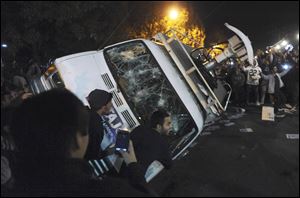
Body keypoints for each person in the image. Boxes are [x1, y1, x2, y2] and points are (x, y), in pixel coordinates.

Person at [9, 88, 150, 196]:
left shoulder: (19, 185)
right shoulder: (105, 190)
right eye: (84, 132)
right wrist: (131, 163)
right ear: (76, 139)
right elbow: (93, 153)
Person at [130, 109, 173, 174]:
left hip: (116, 170)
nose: (171, 127)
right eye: (168, 124)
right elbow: (169, 165)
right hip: (133, 177)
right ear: (158, 126)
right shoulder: (162, 145)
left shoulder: (140, 128)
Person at [84, 89, 113, 160]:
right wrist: (109, 151)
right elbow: (92, 154)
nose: (112, 104)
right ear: (104, 107)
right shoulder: (97, 128)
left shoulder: (81, 110)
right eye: (110, 102)